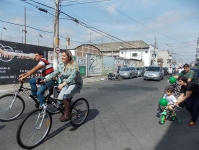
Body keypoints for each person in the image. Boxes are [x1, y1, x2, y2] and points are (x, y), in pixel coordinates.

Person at [43, 50, 83, 122]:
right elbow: (54, 74)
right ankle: (66, 110)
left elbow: (72, 77)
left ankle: (67, 115)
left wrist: (63, 84)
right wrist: (45, 80)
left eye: (64, 56)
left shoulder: (74, 65)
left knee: (66, 95)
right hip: (67, 84)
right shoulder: (61, 65)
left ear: (69, 57)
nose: (62, 57)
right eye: (62, 56)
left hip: (76, 84)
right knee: (59, 100)